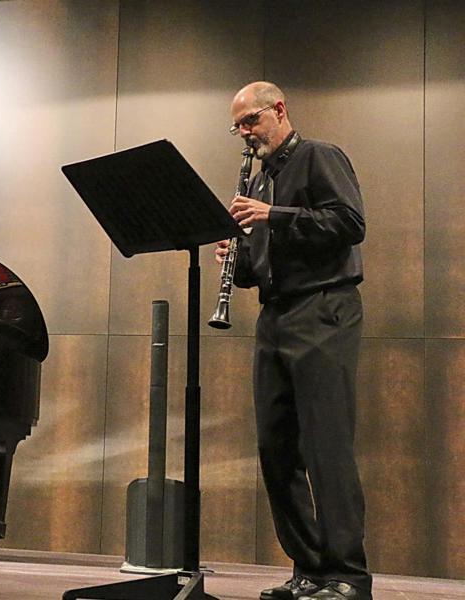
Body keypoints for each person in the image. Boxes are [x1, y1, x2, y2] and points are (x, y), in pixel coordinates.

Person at [215, 82, 370, 600]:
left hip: (324, 309)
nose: (244, 133)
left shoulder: (319, 156)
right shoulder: (259, 182)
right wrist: (235, 258)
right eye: (237, 126)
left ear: (279, 110)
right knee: (275, 448)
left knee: (327, 446)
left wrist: (272, 219)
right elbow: (264, 265)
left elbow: (349, 223)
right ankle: (308, 568)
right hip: (276, 316)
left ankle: (347, 576)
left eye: (251, 121)